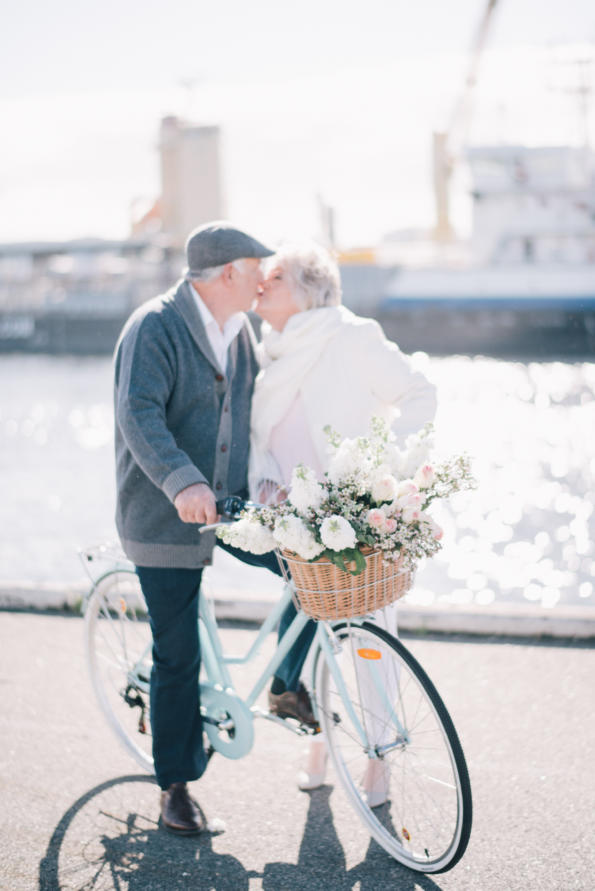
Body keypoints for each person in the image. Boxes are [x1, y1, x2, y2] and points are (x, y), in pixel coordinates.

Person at [249, 242, 437, 797]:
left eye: (275, 276)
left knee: (371, 642)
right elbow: (264, 441)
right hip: (295, 525)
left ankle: (380, 756)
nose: (262, 284)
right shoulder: (272, 353)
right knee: (311, 636)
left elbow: (418, 394)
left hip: (356, 519)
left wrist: (386, 477)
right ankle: (318, 742)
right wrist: (264, 482)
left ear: (309, 290)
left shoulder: (350, 335)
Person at [114, 220, 275, 834]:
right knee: (177, 655)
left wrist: (273, 482)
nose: (264, 279)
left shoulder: (239, 332)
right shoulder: (154, 325)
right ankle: (174, 787)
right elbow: (138, 413)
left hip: (229, 505)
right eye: (257, 268)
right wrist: (183, 481)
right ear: (230, 272)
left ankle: (287, 683)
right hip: (162, 512)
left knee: (304, 568)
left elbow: (251, 411)